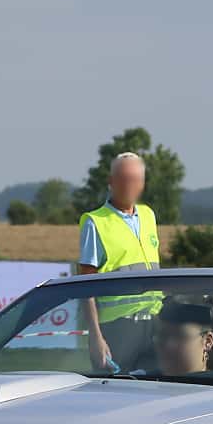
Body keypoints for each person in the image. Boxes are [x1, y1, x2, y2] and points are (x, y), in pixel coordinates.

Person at [76, 151, 162, 370]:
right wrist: (96, 336)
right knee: (118, 393)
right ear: (111, 182)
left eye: (135, 179)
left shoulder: (148, 215)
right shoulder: (95, 222)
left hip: (155, 323)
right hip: (118, 328)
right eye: (123, 179)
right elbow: (85, 287)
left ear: (142, 184)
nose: (129, 185)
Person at [150, 297, 213, 375]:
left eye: (179, 336)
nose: (168, 345)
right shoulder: (139, 381)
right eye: (163, 335)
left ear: (207, 342)